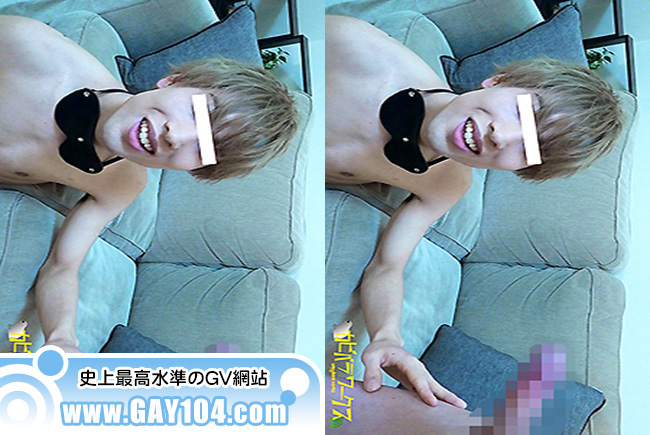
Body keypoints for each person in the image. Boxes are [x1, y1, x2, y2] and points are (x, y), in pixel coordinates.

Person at [326, 14, 622, 409]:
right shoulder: (353, 45)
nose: (501, 135)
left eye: (526, 149)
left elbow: (388, 266)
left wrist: (387, 338)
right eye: (521, 112)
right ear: (498, 81)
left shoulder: (447, 183)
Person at [0, 15, 298, 353]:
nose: (176, 135)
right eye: (195, 112)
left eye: (201, 149)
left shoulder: (122, 183)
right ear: (173, 81)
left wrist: (62, 338)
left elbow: (63, 266)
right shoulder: (30, 47)